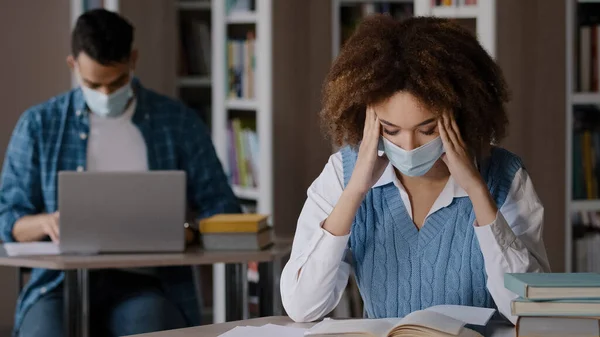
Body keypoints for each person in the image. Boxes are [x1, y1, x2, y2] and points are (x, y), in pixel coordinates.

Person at [280, 15, 550, 324]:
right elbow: (303, 306)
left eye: (428, 129)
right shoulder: (343, 175)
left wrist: (477, 191)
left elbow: (529, 311)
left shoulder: (505, 177)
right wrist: (355, 191)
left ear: (461, 116)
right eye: (391, 130)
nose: (408, 147)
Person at [0, 9, 240, 337]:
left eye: (116, 82)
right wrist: (46, 222)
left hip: (147, 285)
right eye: (92, 84)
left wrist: (188, 231)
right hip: (57, 286)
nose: (105, 94)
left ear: (133, 60)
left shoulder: (178, 122)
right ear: (73, 65)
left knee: (148, 325)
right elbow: (7, 220)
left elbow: (223, 208)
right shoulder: (38, 125)